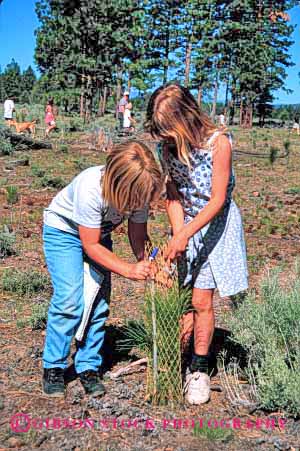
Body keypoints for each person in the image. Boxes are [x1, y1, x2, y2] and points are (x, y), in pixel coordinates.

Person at [146, 84, 248, 405]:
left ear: (186, 118)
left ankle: (199, 369)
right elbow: (173, 192)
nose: (164, 138)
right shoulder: (168, 148)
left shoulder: (219, 144)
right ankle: (178, 357)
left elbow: (217, 199)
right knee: (181, 297)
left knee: (202, 299)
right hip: (186, 225)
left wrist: (185, 235)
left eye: (168, 130)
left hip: (213, 224)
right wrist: (179, 234)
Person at [42, 140, 163, 398]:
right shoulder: (91, 188)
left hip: (97, 235)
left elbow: (138, 233)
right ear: (119, 184)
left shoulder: (140, 189)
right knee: (70, 299)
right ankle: (54, 366)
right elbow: (91, 245)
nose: (138, 204)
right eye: (135, 199)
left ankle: (88, 366)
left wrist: (150, 262)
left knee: (98, 301)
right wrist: (130, 270)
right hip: (64, 233)